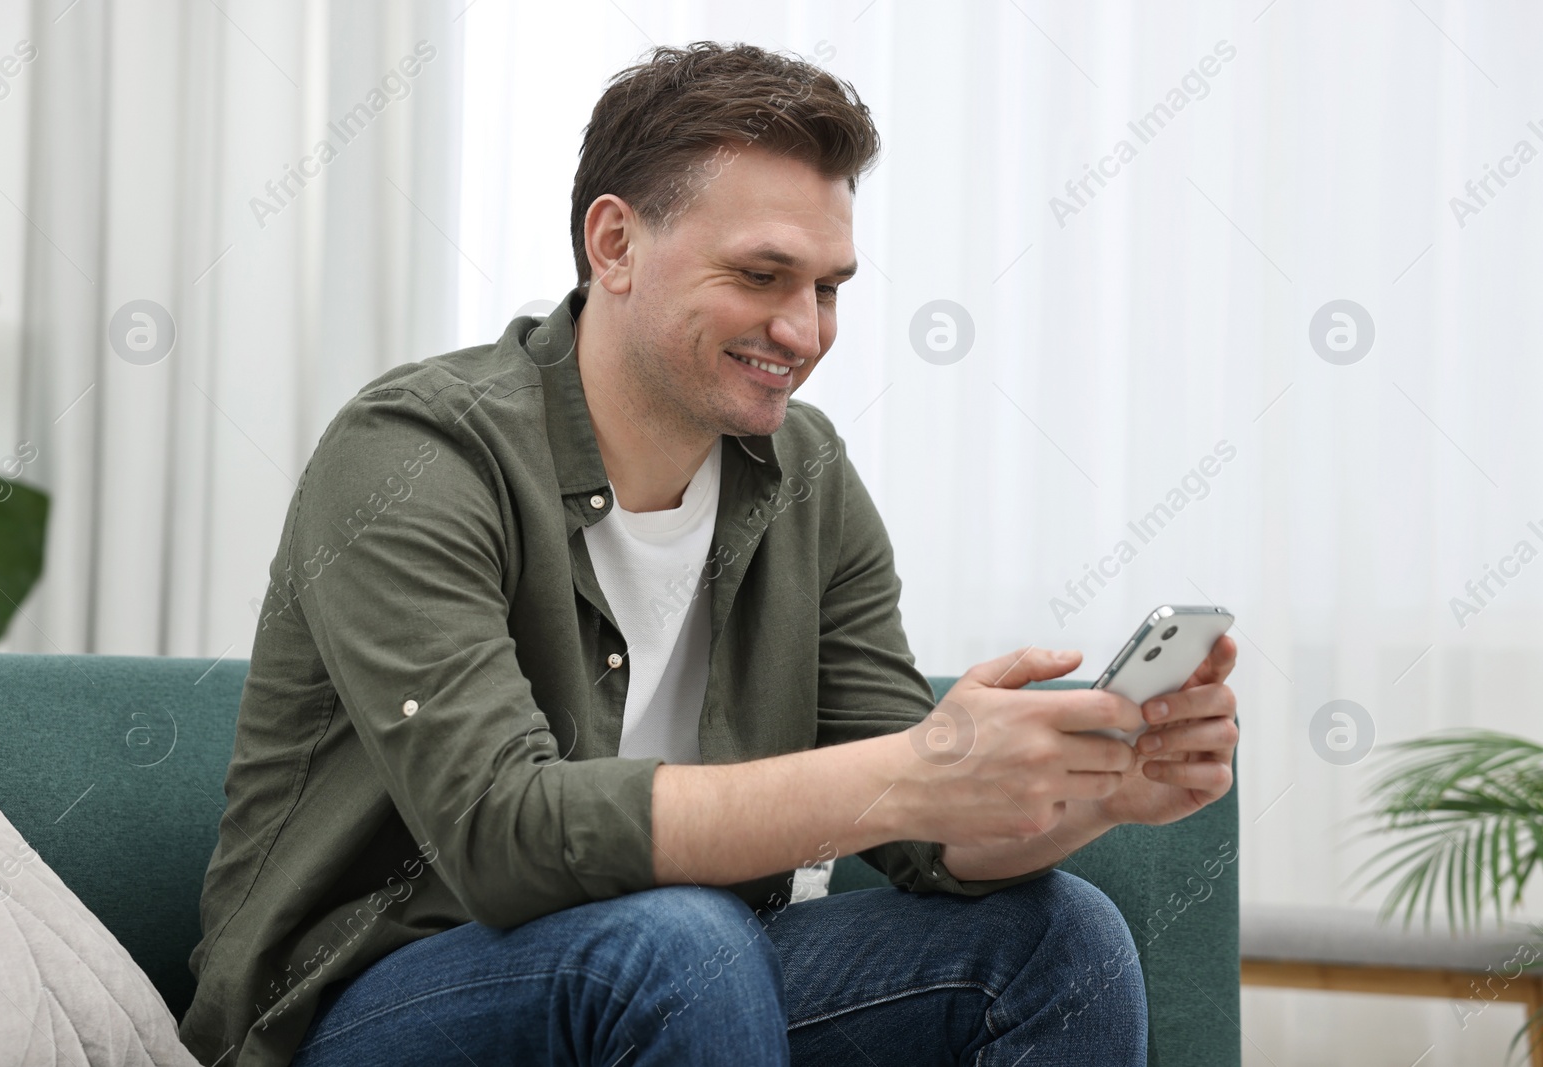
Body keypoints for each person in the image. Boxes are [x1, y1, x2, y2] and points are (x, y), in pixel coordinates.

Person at [180, 40, 1239, 1067]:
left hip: (684, 971)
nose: (804, 329)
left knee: (1058, 939)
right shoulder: (413, 452)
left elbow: (920, 840)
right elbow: (502, 830)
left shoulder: (806, 473)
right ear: (614, 245)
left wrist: (1085, 792)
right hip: (365, 1002)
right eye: (762, 274)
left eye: (827, 287)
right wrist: (917, 769)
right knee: (676, 939)